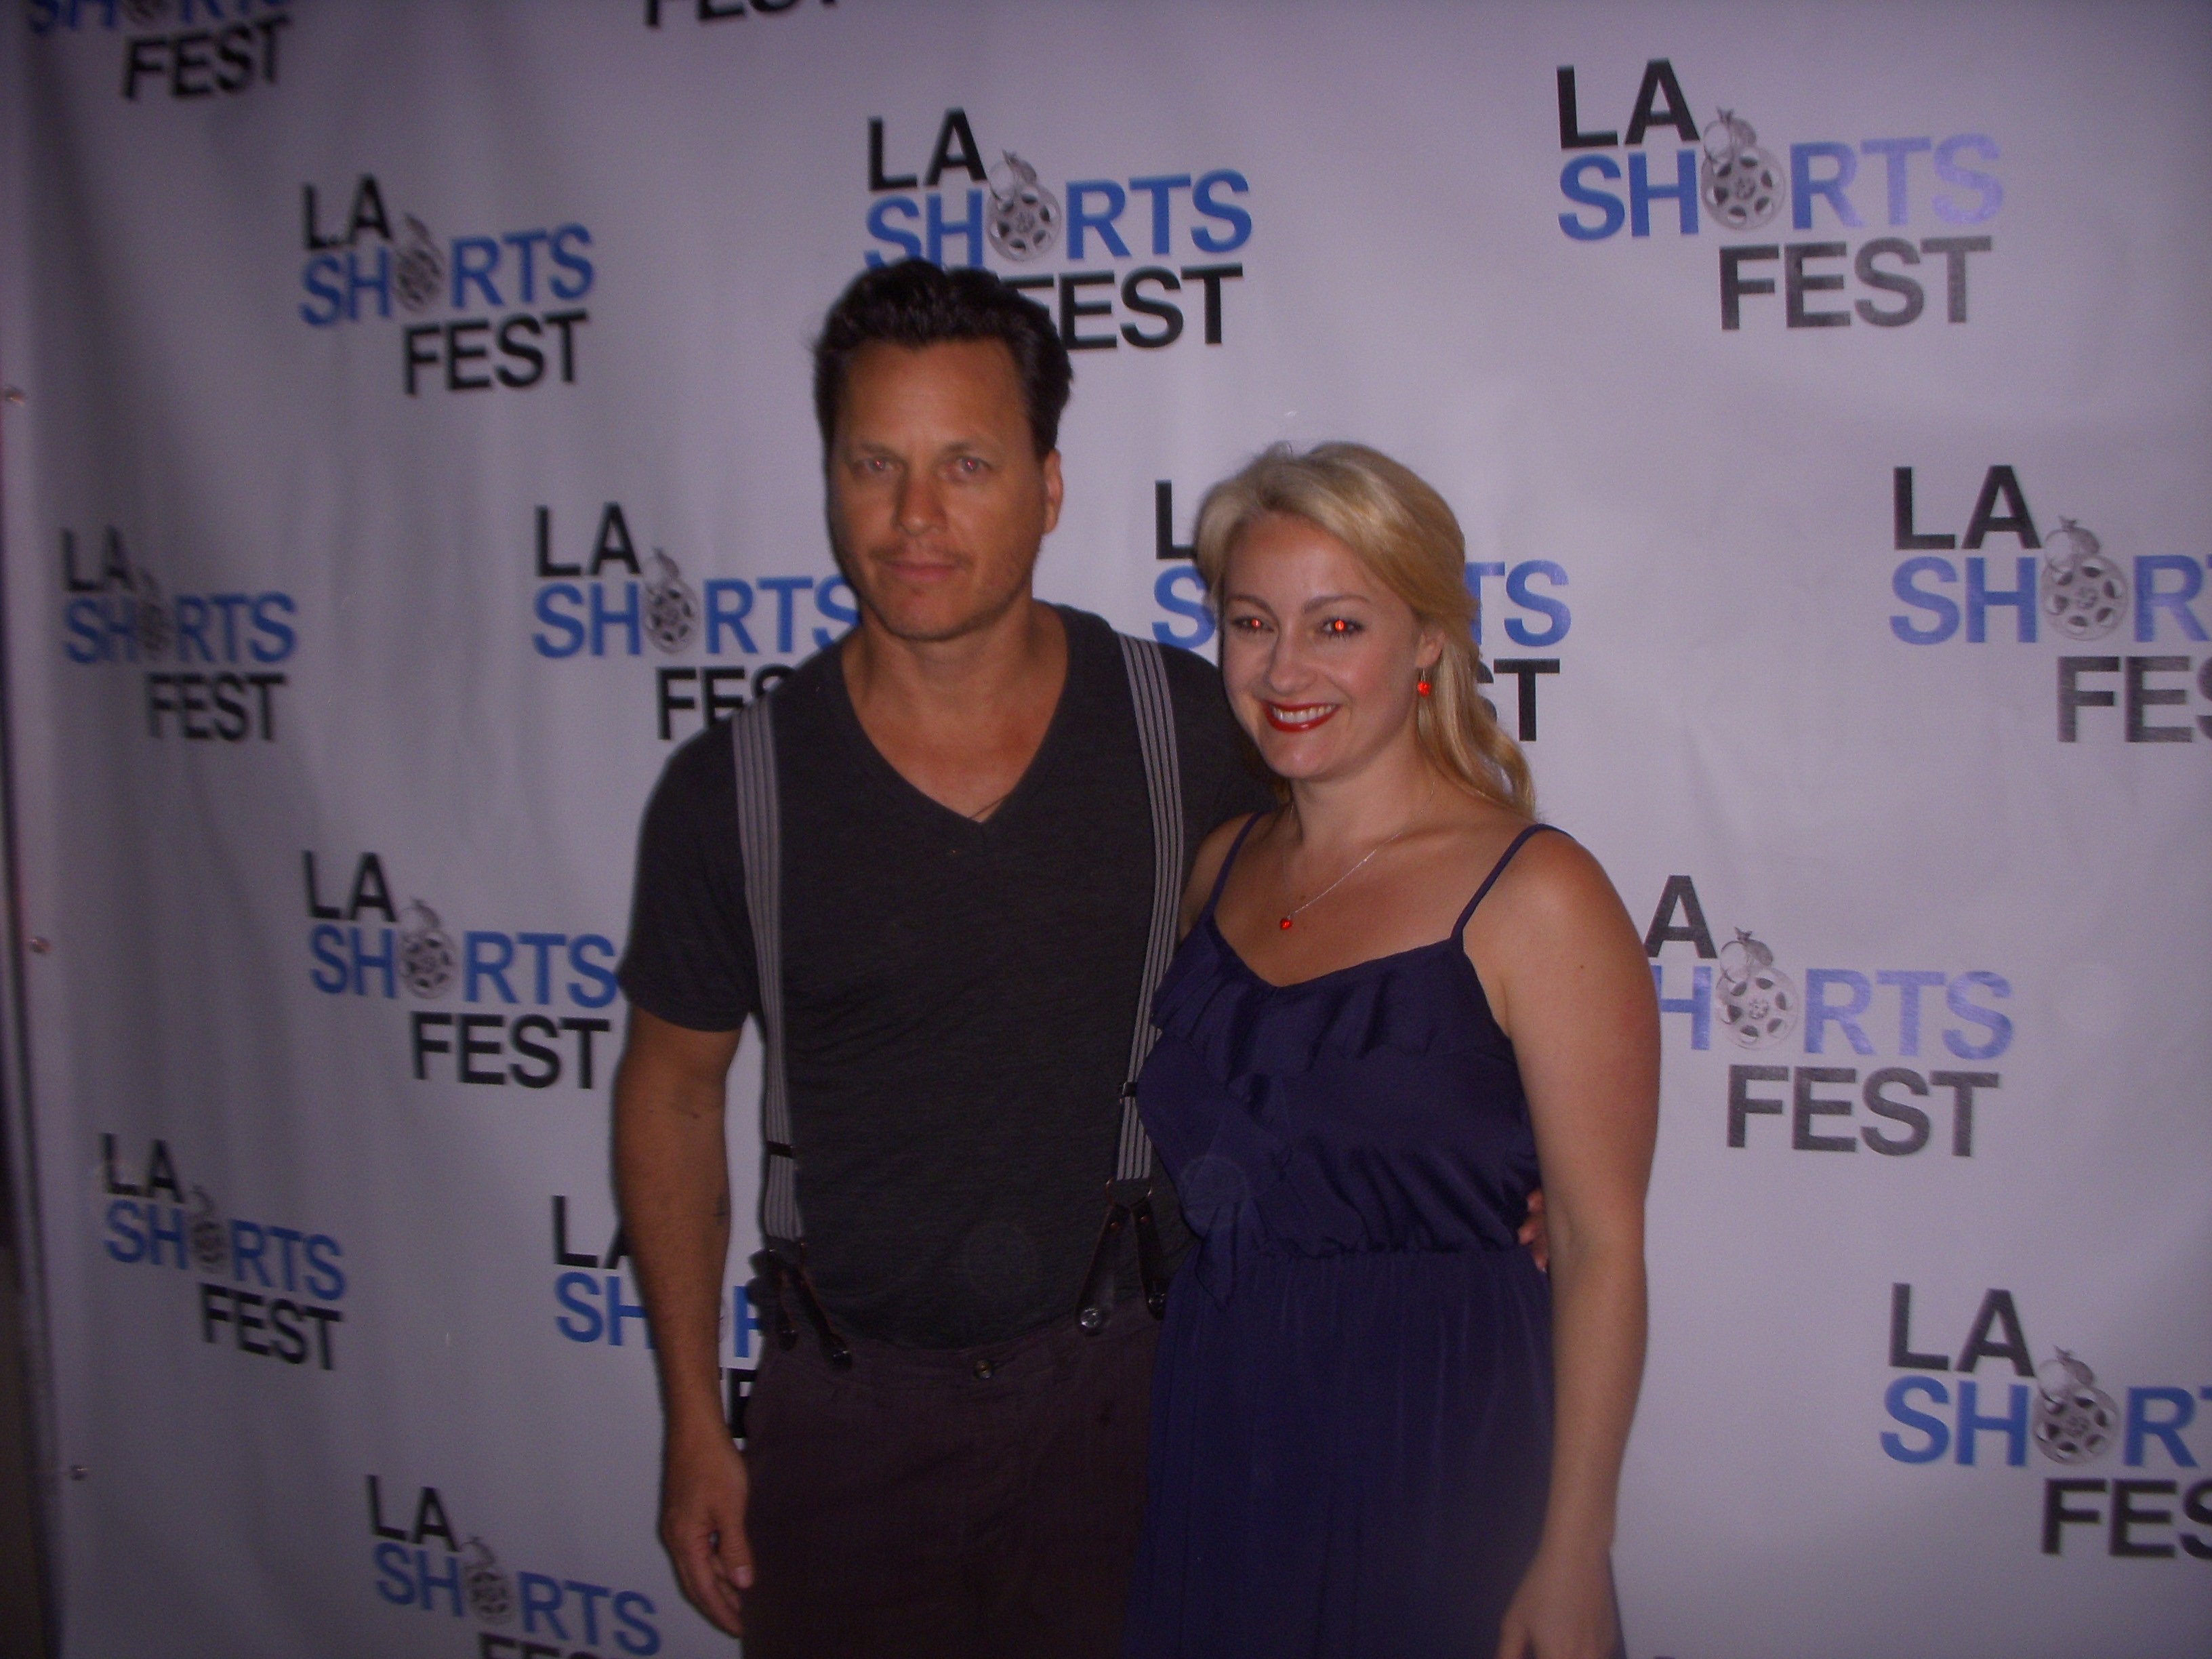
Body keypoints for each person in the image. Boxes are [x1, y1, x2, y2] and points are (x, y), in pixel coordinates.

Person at [609, 258, 1277, 1657]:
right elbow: (672, 1095)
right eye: (876, 464)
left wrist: (1466, 1172)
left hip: (1136, 1413)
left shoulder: (1192, 729)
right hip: (846, 1433)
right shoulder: (735, 791)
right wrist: (689, 1418)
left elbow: (1356, 943)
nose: (915, 517)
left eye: (966, 463)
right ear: (832, 480)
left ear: (1048, 483)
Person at [1120, 443, 1659, 1659]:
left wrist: (1573, 1549)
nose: (1285, 668)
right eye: (1252, 623)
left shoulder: (1540, 893)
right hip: (1226, 1430)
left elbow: (1598, 1246)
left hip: (1445, 1451)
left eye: (1337, 623)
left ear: (1426, 643)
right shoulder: (1222, 868)